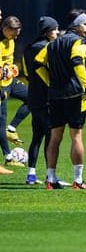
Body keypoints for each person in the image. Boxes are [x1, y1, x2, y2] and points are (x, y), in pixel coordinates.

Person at [35, 9, 86, 190]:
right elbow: (77, 62)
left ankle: (50, 179)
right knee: (76, 136)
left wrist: (50, 81)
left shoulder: (52, 43)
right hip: (74, 94)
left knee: (55, 137)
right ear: (76, 25)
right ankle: (78, 179)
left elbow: (38, 63)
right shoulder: (79, 41)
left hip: (55, 95)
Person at [21, 16, 60, 185]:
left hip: (33, 98)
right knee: (51, 137)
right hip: (46, 98)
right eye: (55, 29)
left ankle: (31, 175)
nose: (57, 32)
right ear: (47, 31)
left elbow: (27, 74)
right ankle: (49, 176)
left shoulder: (28, 47)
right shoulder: (47, 48)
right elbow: (50, 73)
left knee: (37, 136)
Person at [0, 16, 31, 167]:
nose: (16, 36)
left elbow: (7, 62)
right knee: (0, 121)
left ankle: (11, 129)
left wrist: (11, 67)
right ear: (5, 29)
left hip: (10, 81)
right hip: (0, 86)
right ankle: (8, 156)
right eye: (14, 33)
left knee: (34, 98)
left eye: (18, 33)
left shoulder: (10, 40)